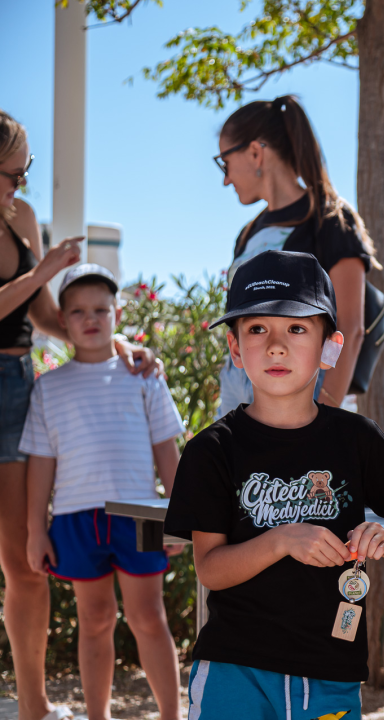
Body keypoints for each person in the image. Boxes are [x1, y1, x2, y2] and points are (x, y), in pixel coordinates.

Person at [164, 250, 384, 719]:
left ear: (330, 347)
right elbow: (210, 568)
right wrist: (282, 539)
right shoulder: (211, 450)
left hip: (329, 669)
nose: (275, 345)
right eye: (256, 329)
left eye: (295, 328)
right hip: (233, 668)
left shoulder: (355, 438)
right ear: (234, 348)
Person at [0, 110, 160, 720]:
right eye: (15, 172)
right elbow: (37, 283)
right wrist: (42, 270)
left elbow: (43, 313)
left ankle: (35, 707)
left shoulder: (20, 218)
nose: (23, 183)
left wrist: (107, 344)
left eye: (26, 171)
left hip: (16, 383)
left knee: (23, 563)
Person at [22, 264, 184, 720]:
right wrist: (37, 529)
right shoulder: (48, 388)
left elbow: (166, 452)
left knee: (149, 619)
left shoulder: (144, 375)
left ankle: (172, 715)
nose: (90, 319)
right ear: (62, 319)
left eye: (100, 309)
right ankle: (99, 716)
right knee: (94, 622)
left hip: (137, 515)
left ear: (116, 313)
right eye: (77, 311)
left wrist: (180, 516)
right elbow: (41, 464)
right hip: (74, 519)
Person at [214, 95, 377, 416]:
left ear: (255, 153)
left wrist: (322, 415)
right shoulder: (247, 233)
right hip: (238, 389)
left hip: (301, 397)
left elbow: (351, 328)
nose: (225, 178)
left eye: (225, 162)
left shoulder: (330, 220)